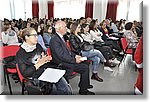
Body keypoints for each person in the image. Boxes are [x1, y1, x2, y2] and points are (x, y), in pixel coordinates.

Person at [16, 27, 72, 95]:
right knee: (56, 90)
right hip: (35, 77)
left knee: (66, 89)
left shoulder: (38, 46)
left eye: (37, 35)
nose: (37, 37)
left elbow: (44, 59)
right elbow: (25, 73)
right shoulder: (20, 53)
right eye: (34, 35)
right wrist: (39, 64)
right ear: (26, 37)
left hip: (45, 71)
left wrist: (46, 59)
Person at [49, 20, 95, 95]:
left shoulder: (60, 37)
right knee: (84, 68)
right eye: (65, 27)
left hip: (66, 59)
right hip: (61, 63)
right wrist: (74, 60)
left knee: (86, 63)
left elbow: (68, 51)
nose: (66, 28)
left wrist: (75, 55)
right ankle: (83, 90)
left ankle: (84, 84)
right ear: (59, 28)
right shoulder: (55, 40)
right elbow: (61, 56)